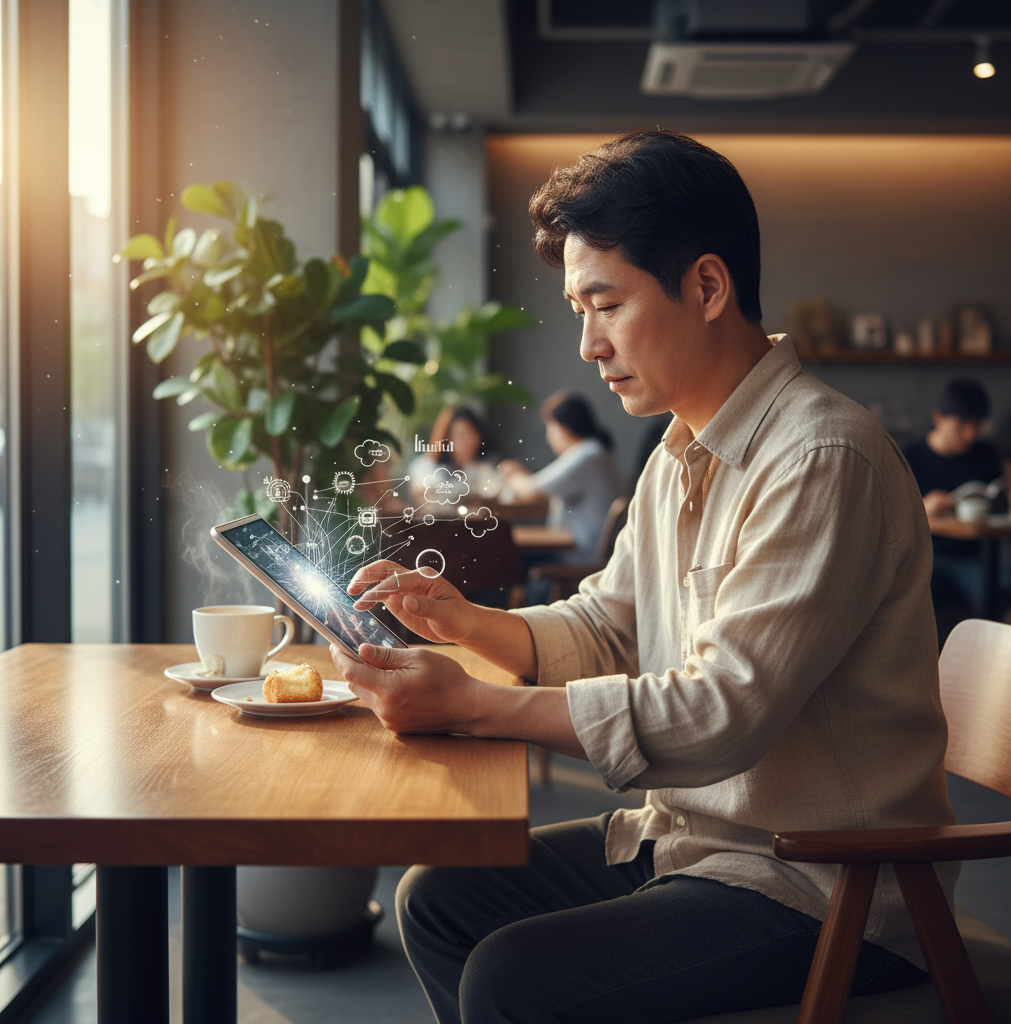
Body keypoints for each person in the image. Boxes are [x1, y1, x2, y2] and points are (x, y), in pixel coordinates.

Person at [331, 130, 951, 1023]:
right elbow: (607, 628)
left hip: (825, 882)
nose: (587, 344)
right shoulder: (679, 451)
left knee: (513, 976)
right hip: (698, 840)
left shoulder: (822, 456)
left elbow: (724, 711)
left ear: (706, 286)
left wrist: (471, 704)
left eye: (605, 306)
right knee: (438, 899)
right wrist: (466, 622)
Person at [902, 379, 1001, 621]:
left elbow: (999, 504)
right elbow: (890, 517)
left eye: (977, 424)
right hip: (927, 555)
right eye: (962, 423)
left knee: (993, 588)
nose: (971, 433)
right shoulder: (910, 457)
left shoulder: (986, 454)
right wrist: (923, 509)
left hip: (979, 555)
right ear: (938, 418)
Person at [500, 392, 623, 562]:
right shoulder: (595, 452)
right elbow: (540, 487)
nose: (549, 437)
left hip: (580, 555)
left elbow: (532, 490)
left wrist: (511, 474)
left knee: (503, 557)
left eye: (551, 427)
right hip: (579, 549)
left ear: (565, 426)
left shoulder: (586, 454)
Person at [407, 405, 502, 506]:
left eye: (468, 434)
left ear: (478, 437)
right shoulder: (429, 468)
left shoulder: (487, 468)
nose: (463, 442)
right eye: (458, 435)